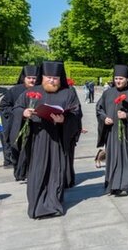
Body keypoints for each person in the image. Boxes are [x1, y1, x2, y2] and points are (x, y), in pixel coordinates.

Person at [10, 61, 82, 218]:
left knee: (56, 172)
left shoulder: (68, 93)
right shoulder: (32, 91)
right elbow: (17, 108)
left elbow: (76, 113)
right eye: (48, 77)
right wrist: (24, 113)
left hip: (57, 139)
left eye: (55, 78)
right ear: (42, 77)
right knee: (37, 172)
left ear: (60, 78)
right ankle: (36, 206)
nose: (52, 81)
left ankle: (53, 205)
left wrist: (64, 120)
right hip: (37, 139)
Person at [96, 65, 128, 196]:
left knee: (127, 159)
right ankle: (112, 183)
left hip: (127, 134)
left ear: (127, 79)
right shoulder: (108, 93)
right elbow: (99, 109)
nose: (118, 81)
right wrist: (104, 118)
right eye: (116, 78)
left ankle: (124, 185)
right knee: (113, 158)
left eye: (121, 78)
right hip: (112, 133)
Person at [0, 65, 37, 174]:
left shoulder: (40, 90)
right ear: (24, 78)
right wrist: (19, 113)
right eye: (29, 77)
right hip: (18, 126)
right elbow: (4, 106)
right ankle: (20, 172)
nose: (32, 80)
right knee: (19, 150)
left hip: (36, 127)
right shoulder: (14, 91)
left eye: (34, 78)